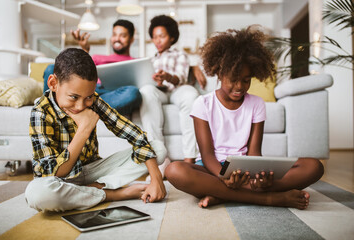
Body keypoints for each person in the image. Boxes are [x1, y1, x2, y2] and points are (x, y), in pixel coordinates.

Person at [164, 26, 324, 210]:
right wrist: (225, 177)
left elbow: (254, 152)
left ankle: (224, 194)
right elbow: (207, 155)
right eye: (233, 79)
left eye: (246, 80)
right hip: (212, 170)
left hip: (246, 171)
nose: (240, 86)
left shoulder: (256, 103)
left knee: (314, 166)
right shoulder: (203, 103)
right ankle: (270, 199)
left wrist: (259, 177)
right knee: (175, 170)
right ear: (219, 73)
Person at [25, 48, 167, 212]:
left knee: (158, 149)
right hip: (58, 179)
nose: (81, 106)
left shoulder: (93, 101)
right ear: (53, 84)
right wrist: (84, 129)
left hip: (92, 171)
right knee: (39, 194)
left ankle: (93, 189)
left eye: (88, 97)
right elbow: (55, 172)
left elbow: (134, 134)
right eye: (74, 97)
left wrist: (157, 180)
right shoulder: (40, 112)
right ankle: (112, 194)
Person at [42, 19, 141, 116]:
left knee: (133, 93)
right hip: (87, 90)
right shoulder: (97, 58)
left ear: (131, 39)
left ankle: (84, 107)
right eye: (114, 35)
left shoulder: (137, 62)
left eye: (123, 36)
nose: (117, 39)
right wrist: (85, 49)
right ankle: (50, 107)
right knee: (52, 68)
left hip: (109, 95)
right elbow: (79, 69)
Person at [139, 15, 199, 165]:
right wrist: (156, 81)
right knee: (146, 91)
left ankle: (190, 158)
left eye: (162, 36)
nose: (157, 40)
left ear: (171, 38)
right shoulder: (149, 60)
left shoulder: (180, 55)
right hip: (160, 92)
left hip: (176, 90)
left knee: (191, 94)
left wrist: (167, 76)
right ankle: (160, 159)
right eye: (154, 37)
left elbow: (181, 78)